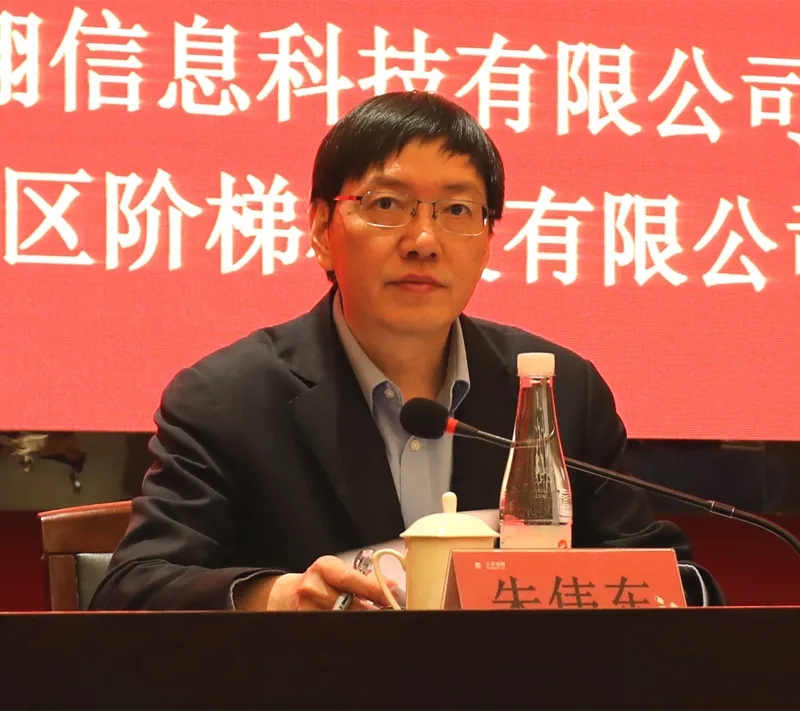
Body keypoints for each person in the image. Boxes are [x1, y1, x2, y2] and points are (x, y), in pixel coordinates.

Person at [90, 91, 722, 612]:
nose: (424, 239)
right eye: (387, 205)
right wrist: (278, 597)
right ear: (321, 229)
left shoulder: (557, 391)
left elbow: (669, 579)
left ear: (487, 241)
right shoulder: (228, 399)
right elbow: (134, 588)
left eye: (457, 209)